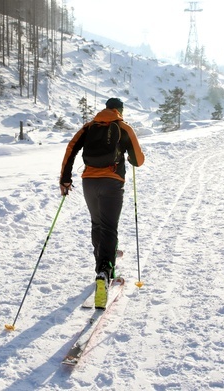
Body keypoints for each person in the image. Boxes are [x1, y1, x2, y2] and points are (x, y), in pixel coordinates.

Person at [59, 97, 145, 309]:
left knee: (97, 224)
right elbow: (138, 160)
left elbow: (71, 148)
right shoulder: (123, 127)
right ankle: (104, 272)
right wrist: (129, 156)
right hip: (112, 183)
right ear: (120, 111)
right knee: (109, 227)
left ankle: (102, 262)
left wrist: (65, 178)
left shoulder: (89, 127)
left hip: (89, 181)